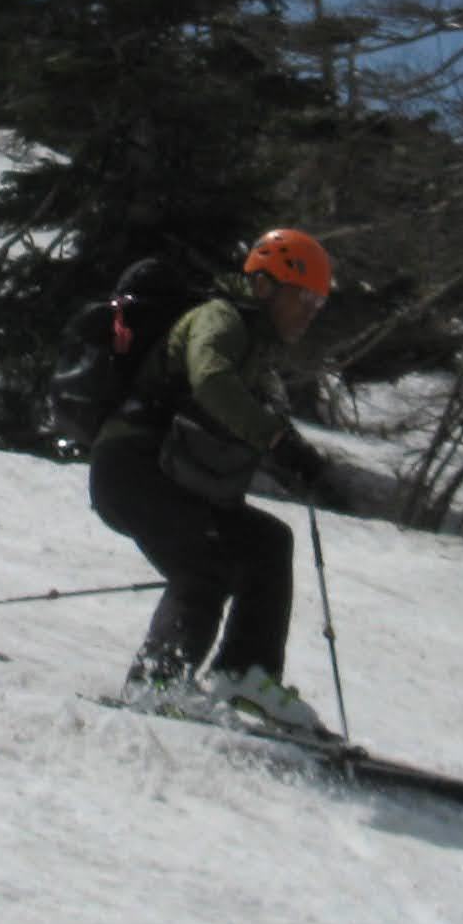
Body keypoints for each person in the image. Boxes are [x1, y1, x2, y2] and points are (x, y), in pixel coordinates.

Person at [87, 226, 340, 737]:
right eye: (305, 297)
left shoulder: (253, 344)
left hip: (158, 472)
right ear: (268, 286)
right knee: (206, 564)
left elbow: (228, 411)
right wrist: (276, 441)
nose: (312, 310)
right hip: (132, 467)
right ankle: (155, 684)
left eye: (319, 301)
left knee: (267, 541)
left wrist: (291, 457)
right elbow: (211, 381)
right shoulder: (220, 320)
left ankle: (244, 677)